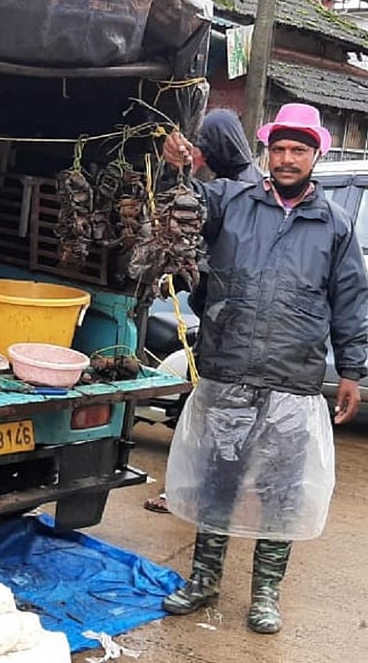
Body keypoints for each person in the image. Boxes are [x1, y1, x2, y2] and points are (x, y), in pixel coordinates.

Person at [159, 103, 368, 634]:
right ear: (266, 152)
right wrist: (175, 166)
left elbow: (349, 301)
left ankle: (266, 595)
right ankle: (203, 582)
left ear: (316, 155)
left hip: (293, 380)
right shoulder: (231, 200)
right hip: (228, 368)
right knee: (218, 484)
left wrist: (351, 370)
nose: (287, 158)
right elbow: (179, 208)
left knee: (282, 492)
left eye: (299, 150)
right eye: (279, 148)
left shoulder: (335, 226)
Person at [143, 108, 263, 514]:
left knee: (207, 410)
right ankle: (213, 490)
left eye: (203, 145)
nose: (200, 152)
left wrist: (181, 279)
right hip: (234, 322)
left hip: (228, 324)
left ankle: (190, 492)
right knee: (226, 413)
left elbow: (221, 258)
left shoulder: (239, 191)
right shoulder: (244, 183)